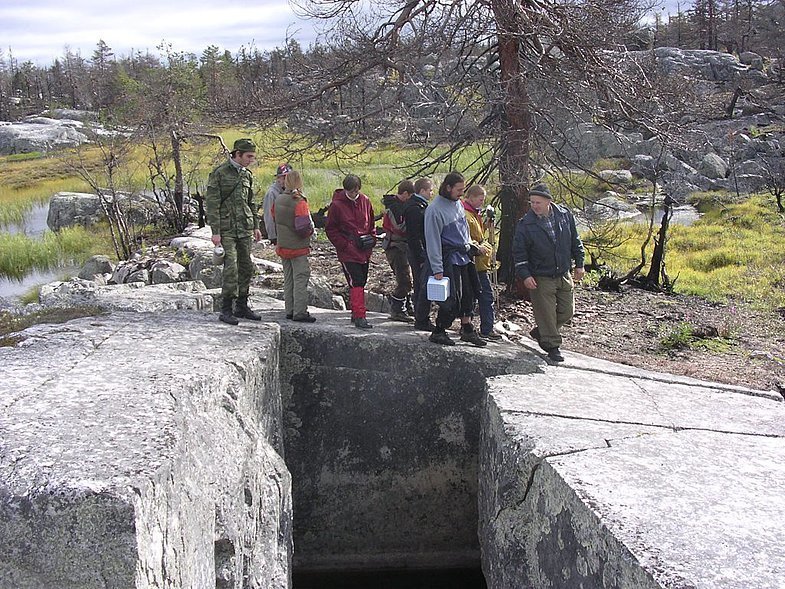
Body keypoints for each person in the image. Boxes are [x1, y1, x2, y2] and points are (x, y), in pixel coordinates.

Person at [512, 182, 585, 362]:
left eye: (538, 202)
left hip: (563, 272)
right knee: (546, 314)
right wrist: (526, 275)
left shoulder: (564, 216)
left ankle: (542, 332)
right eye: (532, 202)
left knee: (567, 311)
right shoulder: (525, 224)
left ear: (548, 202)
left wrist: (580, 264)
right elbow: (519, 252)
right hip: (540, 276)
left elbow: (575, 241)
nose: (535, 206)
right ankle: (552, 347)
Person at [424, 171, 486, 347]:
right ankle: (439, 330)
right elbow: (433, 240)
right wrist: (437, 268)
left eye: (463, 189)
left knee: (469, 293)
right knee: (452, 297)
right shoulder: (434, 210)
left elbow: (463, 229)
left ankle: (467, 328)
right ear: (448, 187)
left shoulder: (458, 204)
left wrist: (471, 246)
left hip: (464, 256)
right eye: (459, 189)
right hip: (448, 259)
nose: (461, 193)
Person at [205, 138, 263, 325]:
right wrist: (215, 231)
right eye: (248, 156)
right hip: (227, 228)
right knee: (231, 268)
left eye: (252, 157)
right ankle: (226, 308)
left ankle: (242, 305)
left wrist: (255, 225)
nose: (250, 160)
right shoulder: (220, 173)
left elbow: (251, 202)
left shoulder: (247, 175)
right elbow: (212, 204)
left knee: (246, 266)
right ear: (237, 154)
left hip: (244, 227)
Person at [325, 174, 376, 329]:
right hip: (348, 251)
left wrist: (371, 239)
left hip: (363, 249)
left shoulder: (365, 201)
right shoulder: (337, 205)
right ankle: (360, 315)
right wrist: (344, 245)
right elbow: (331, 229)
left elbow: (371, 223)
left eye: (355, 191)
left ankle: (356, 312)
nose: (353, 194)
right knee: (357, 281)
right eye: (350, 191)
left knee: (362, 280)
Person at [273, 169, 316, 322]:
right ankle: (300, 311)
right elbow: (304, 228)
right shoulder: (299, 201)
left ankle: (289, 310)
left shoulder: (278, 199)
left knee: (288, 278)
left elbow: (274, 217)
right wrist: (311, 233)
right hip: (298, 247)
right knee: (300, 278)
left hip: (283, 245)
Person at [462, 185, 502, 341]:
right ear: (471, 197)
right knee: (485, 296)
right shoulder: (466, 215)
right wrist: (482, 247)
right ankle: (486, 329)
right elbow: (469, 238)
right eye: (480, 199)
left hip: (479, 263)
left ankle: (472, 327)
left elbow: (479, 234)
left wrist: (486, 223)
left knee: (475, 296)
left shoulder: (474, 214)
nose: (482, 202)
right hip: (475, 263)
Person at [382, 180, 415, 322]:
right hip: (395, 247)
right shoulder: (394, 207)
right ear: (406, 194)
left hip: (403, 247)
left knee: (408, 278)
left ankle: (407, 305)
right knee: (404, 280)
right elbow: (400, 227)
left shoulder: (402, 206)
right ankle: (397, 309)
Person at [405, 177, 435, 331]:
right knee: (421, 283)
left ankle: (421, 315)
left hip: (422, 250)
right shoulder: (414, 208)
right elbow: (414, 236)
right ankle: (421, 317)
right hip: (418, 252)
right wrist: (422, 256)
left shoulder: (420, 206)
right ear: (422, 191)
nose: (432, 193)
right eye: (430, 190)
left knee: (422, 283)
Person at [262, 163, 292, 243]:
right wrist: (273, 237)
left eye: (289, 177)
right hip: (279, 234)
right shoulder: (271, 193)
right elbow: (269, 216)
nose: (287, 180)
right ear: (278, 178)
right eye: (284, 177)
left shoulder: (295, 191)